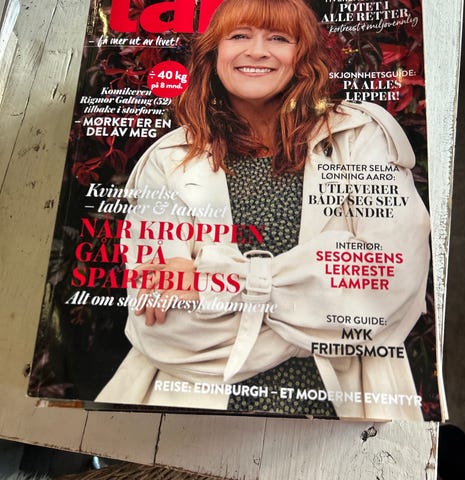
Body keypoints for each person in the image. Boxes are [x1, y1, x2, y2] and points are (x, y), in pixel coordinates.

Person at [97, 0, 431, 421]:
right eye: (239, 36)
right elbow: (164, 329)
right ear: (214, 51)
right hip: (190, 414)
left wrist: (212, 285)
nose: (257, 51)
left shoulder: (360, 136)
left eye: (278, 38)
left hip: (345, 416)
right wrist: (315, 302)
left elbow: (389, 283)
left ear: (303, 54)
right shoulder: (168, 158)